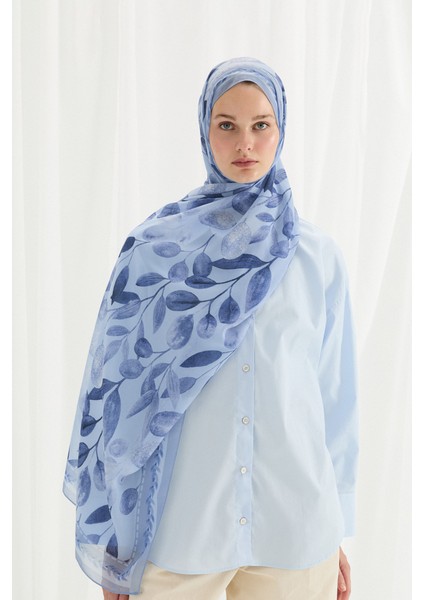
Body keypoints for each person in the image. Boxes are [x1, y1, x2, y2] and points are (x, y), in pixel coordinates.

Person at [64, 57, 359, 600]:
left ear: (281, 130)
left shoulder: (317, 257)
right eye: (227, 125)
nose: (245, 143)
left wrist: (335, 528)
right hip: (180, 536)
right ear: (205, 130)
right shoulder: (152, 254)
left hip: (296, 531)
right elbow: (117, 401)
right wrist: (117, 546)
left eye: (261, 124)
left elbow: (334, 401)